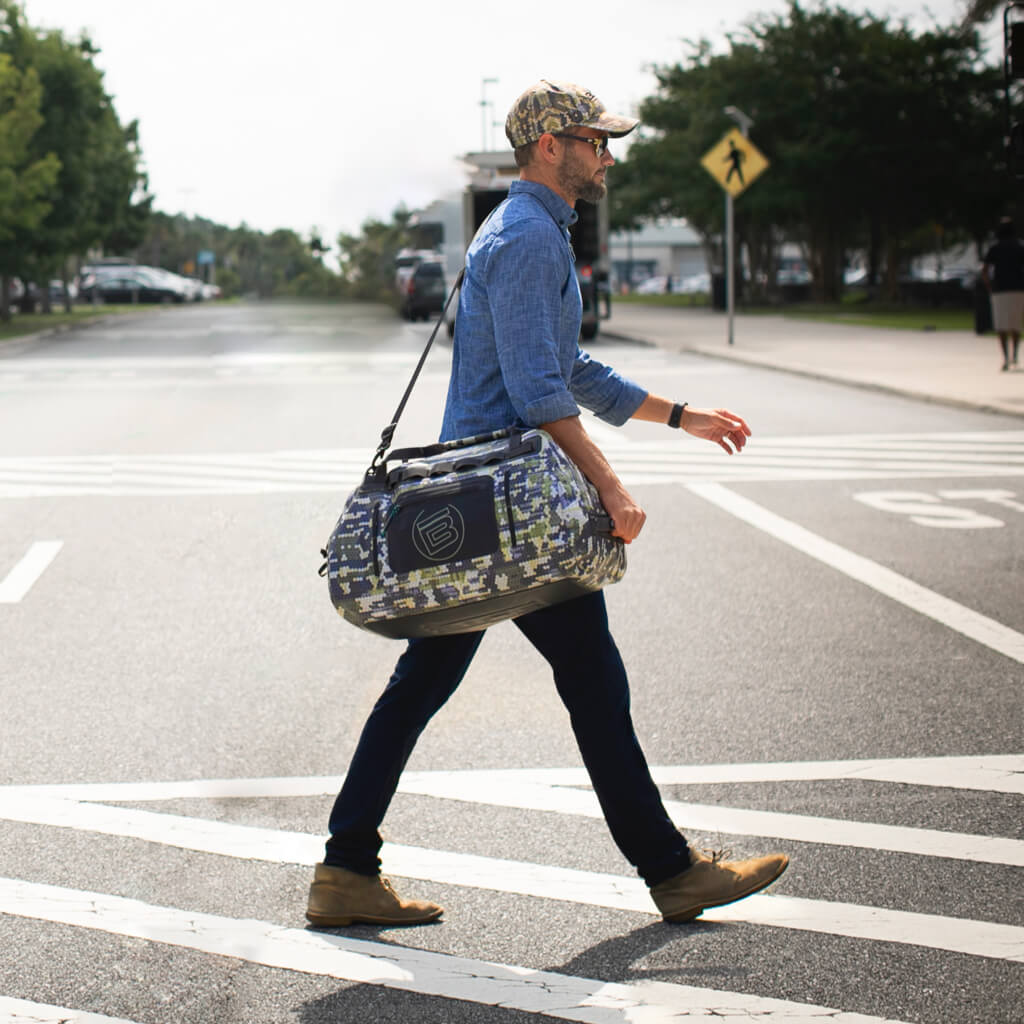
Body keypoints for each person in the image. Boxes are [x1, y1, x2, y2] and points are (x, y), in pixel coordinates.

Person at [306, 79, 788, 929]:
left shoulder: (528, 232)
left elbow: (570, 370)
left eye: (606, 142)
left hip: (488, 503)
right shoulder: (529, 239)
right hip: (507, 510)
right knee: (584, 680)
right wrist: (610, 482)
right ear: (547, 145)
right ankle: (670, 871)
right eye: (594, 140)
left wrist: (680, 415)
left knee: (444, 682)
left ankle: (346, 869)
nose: (607, 155)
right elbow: (537, 390)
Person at [981, 218, 1024, 371]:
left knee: (1001, 325)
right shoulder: (1019, 247)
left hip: (999, 289)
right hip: (1018, 289)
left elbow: (985, 270)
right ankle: (1015, 356)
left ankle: (1005, 358)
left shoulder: (995, 248)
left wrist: (989, 286)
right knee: (1015, 324)